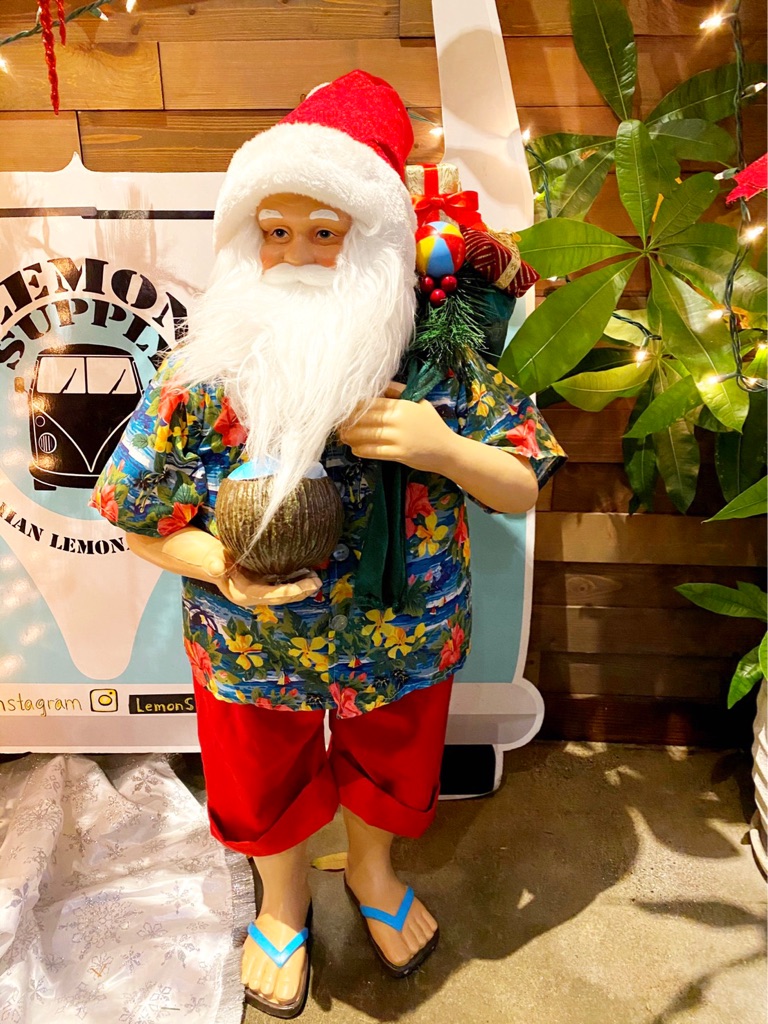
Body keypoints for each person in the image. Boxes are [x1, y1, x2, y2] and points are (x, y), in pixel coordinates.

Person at [90, 70, 567, 1019]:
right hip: (249, 639)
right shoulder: (206, 374)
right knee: (258, 772)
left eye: (325, 232)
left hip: (405, 628)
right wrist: (220, 567)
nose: (298, 254)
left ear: (376, 240)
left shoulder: (433, 361)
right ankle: (283, 899)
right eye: (276, 232)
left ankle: (373, 873)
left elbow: (524, 477)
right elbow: (134, 512)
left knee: (395, 759)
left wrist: (442, 445)